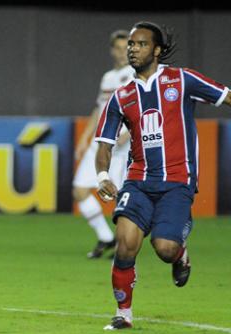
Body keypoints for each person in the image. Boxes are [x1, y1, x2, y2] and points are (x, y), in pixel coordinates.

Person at [94, 21, 231, 330]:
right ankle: (123, 314)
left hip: (177, 181)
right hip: (138, 180)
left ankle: (180, 253)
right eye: (131, 44)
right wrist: (103, 174)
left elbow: (228, 95)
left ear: (156, 50)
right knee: (126, 242)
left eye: (141, 44)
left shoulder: (180, 80)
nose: (133, 49)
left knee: (164, 248)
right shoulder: (122, 96)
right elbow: (103, 144)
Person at [73, 30, 132, 259]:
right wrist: (84, 137)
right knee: (79, 190)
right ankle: (106, 237)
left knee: (121, 197)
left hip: (121, 148)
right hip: (100, 143)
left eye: (126, 47)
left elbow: (137, 110)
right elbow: (99, 108)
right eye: (117, 48)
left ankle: (123, 245)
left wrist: (127, 135)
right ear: (111, 50)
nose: (121, 53)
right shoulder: (108, 78)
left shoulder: (135, 76)